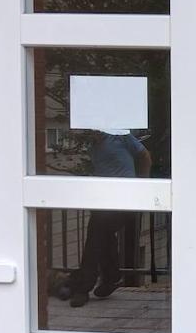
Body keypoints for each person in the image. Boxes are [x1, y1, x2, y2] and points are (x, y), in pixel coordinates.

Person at [61, 129, 151, 308]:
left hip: (125, 199)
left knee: (96, 235)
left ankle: (83, 287)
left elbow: (145, 156)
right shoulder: (92, 144)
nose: (85, 134)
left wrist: (143, 186)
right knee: (103, 235)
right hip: (104, 199)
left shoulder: (119, 136)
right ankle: (112, 277)